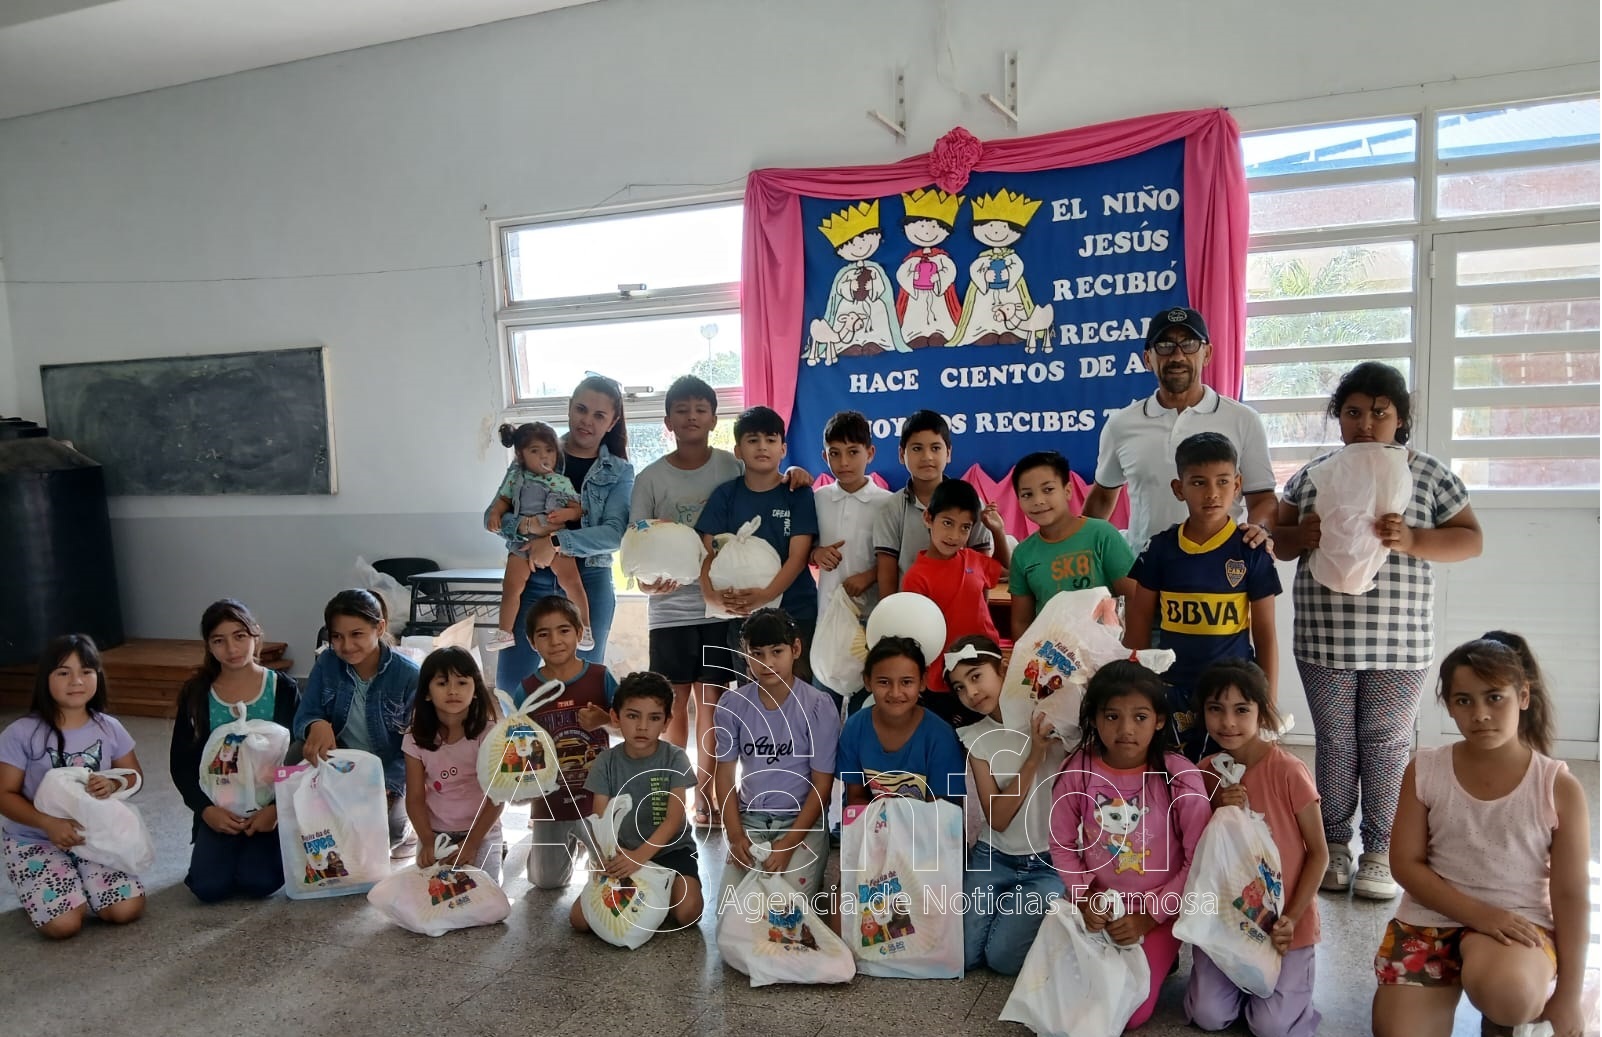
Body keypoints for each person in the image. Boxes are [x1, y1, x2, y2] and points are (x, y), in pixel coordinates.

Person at [1273, 361, 1483, 900]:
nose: (1366, 423)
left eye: (1380, 412)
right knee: (1337, 742)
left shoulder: (1428, 474)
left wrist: (1413, 540)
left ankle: (1381, 853)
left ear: (1401, 419)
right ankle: (1335, 847)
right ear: (1338, 417)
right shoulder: (1315, 473)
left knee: (1386, 744)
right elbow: (1277, 540)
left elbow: (1469, 540)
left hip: (1400, 642)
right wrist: (1303, 533)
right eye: (1353, 412)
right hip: (1325, 637)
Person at [1373, 633, 1588, 1037]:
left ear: (1523, 696)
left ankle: (1507, 1013)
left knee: (1510, 996)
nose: (1481, 714)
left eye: (1495, 697)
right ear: (1448, 706)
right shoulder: (1425, 769)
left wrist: (1569, 997)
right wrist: (1480, 916)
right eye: (1463, 700)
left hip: (1518, 924)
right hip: (1428, 920)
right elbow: (1404, 863)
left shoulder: (1558, 786)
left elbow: (1571, 894)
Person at [1050, 660, 1211, 1030]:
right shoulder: (1078, 771)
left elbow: (1198, 863)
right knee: (1068, 995)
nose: (1125, 730)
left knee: (1130, 1013)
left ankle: (1165, 953)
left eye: (1140, 717)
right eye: (1112, 716)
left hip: (1160, 912)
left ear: (1158, 720)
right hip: (1098, 905)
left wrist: (1148, 917)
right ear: (1094, 719)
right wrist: (1085, 897)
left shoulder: (1180, 778)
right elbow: (1060, 844)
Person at [1185, 659, 1327, 1037]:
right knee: (1209, 1015)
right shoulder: (1205, 771)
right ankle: (1243, 988)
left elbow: (1319, 853)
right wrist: (1215, 808)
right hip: (1229, 918)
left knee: (1273, 1027)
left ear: (1263, 712)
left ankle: (1284, 993)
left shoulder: (1288, 771)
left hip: (1284, 921)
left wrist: (1292, 919)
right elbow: (1197, 847)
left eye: (1241, 710)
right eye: (1216, 709)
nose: (1227, 722)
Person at [629, 375, 743, 825]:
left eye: (701, 408)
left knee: (713, 702)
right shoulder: (650, 477)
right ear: (667, 421)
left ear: (715, 418)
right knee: (672, 705)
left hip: (720, 605)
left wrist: (793, 474)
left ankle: (710, 796)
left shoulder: (732, 468)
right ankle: (675, 798)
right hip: (669, 610)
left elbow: (765, 492)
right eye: (682, 409)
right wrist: (643, 585)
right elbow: (636, 543)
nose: (692, 416)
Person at [1125, 432, 1281, 760]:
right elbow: (1138, 621)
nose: (1212, 494)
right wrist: (1135, 688)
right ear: (1178, 489)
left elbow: (1265, 633)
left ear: (1237, 484)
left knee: (1233, 778)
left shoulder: (1251, 550)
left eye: (1222, 482)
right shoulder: (1161, 548)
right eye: (1198, 483)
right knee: (1176, 772)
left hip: (1233, 693)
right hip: (1173, 688)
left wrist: (1267, 702)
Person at [1086, 306, 1276, 551]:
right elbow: (1102, 497)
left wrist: (1260, 530)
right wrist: (1082, 552)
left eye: (1189, 344)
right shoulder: (1121, 425)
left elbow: (1262, 498)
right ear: (1147, 359)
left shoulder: (1243, 419)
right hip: (1144, 574)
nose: (1177, 356)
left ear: (1207, 354)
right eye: (1165, 346)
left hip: (1220, 571)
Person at [492, 374, 636, 690]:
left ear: (612, 422)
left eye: (599, 415)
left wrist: (556, 542)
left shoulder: (620, 471)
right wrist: (527, 527)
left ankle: (578, 742)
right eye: (581, 409)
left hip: (589, 580)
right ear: (569, 408)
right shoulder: (536, 450)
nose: (587, 421)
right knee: (513, 687)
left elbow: (614, 533)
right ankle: (522, 741)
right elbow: (497, 517)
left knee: (584, 688)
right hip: (530, 578)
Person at [0, 635, 146, 938]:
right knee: (64, 925)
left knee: (125, 910)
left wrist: (114, 782)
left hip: (94, 835)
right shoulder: (21, 733)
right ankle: (43, 886)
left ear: (98, 676)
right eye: (64, 672)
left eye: (87, 671)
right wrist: (47, 823)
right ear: (46, 679)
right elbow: (4, 795)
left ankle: (78, 880)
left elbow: (134, 776)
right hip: (35, 839)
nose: (76, 681)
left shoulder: (109, 727)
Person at [945, 635, 1064, 976]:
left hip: (1048, 863)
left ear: (1004, 668)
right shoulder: (975, 736)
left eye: (976, 676)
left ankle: (1035, 913)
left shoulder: (1049, 715)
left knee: (1002, 960)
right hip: (992, 856)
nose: (970, 692)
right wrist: (1035, 758)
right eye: (959, 687)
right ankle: (1016, 910)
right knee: (963, 958)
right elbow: (997, 817)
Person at [170, 599, 301, 903]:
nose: (231, 649)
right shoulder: (197, 694)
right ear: (209, 646)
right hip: (219, 810)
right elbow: (182, 763)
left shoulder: (282, 689)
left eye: (239, 636)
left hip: (268, 811)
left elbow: (298, 758)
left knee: (259, 882)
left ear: (255, 636)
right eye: (219, 640)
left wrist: (275, 811)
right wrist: (206, 811)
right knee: (207, 888)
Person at [712, 609, 839, 905]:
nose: (766, 663)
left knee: (785, 910)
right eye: (757, 653)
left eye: (777, 651)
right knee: (732, 911)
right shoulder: (733, 705)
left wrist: (787, 845)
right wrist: (735, 835)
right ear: (745, 654)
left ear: (795, 649)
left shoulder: (818, 706)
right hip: (751, 820)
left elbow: (822, 786)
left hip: (801, 822)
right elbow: (725, 776)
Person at [569, 672, 703, 934]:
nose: (643, 726)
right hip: (621, 853)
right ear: (616, 718)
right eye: (633, 715)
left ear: (667, 722)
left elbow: (673, 819)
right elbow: (602, 820)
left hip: (670, 853)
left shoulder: (675, 758)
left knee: (688, 912)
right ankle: (646, 904)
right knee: (579, 920)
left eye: (654, 718)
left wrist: (639, 859)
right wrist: (616, 859)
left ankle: (652, 902)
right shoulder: (605, 762)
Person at [294, 589, 421, 857]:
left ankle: (408, 832)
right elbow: (303, 715)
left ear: (380, 628)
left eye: (357, 634)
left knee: (387, 830)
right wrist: (316, 723)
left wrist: (388, 786)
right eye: (337, 637)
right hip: (340, 763)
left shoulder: (408, 675)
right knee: (296, 751)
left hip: (387, 770)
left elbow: (416, 747)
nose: (346, 646)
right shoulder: (328, 662)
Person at [696, 405, 820, 672]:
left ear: (783, 449)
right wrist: (711, 597)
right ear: (738, 450)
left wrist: (766, 596)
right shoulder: (725, 495)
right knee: (751, 702)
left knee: (797, 699)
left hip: (796, 612)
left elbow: (799, 557)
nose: (762, 447)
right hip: (743, 618)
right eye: (753, 440)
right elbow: (707, 553)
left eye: (771, 440)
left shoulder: (798, 493)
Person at [517, 596, 615, 889]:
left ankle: (588, 846)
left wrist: (605, 720)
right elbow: (518, 747)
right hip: (550, 802)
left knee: (613, 873)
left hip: (597, 802)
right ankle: (544, 853)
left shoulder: (600, 677)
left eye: (563, 630)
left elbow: (632, 725)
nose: (555, 640)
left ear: (580, 633)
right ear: (532, 642)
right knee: (546, 882)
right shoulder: (527, 690)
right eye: (543, 634)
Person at [901, 478, 1009, 722]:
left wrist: (997, 531)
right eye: (948, 523)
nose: (955, 535)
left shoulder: (972, 558)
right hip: (943, 681)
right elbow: (915, 638)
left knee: (995, 731)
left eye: (965, 527)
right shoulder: (916, 577)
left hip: (986, 668)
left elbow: (1005, 569)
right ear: (928, 518)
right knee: (953, 741)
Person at [1007, 449, 1136, 638]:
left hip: (1109, 654)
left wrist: (1130, 655)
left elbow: (1134, 599)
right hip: (1054, 659)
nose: (1038, 501)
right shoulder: (1022, 554)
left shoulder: (1102, 535)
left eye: (1048, 490)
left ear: (1067, 491)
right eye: (1027, 494)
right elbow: (1021, 622)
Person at [402, 647, 505, 882]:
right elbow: (415, 798)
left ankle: (498, 851)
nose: (452, 691)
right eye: (441, 683)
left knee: (485, 898)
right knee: (434, 898)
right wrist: (427, 841)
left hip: (482, 832)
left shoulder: (489, 735)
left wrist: (472, 843)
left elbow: (497, 797)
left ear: (475, 690)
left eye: (461, 682)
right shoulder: (414, 738)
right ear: (427, 692)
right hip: (436, 833)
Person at [873, 409, 999, 599]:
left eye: (935, 448)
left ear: (948, 453)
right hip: (911, 614)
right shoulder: (891, 508)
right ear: (901, 454)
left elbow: (982, 564)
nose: (927, 457)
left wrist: (980, 612)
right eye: (917, 448)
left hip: (961, 611)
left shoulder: (971, 502)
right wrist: (889, 617)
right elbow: (887, 573)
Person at [487, 421, 590, 652]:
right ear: (521, 455)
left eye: (549, 450)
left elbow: (578, 508)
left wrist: (567, 513)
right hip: (521, 543)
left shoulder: (560, 481)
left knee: (571, 582)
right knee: (511, 587)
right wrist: (496, 513)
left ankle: (585, 627)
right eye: (535, 451)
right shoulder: (516, 478)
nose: (544, 456)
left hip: (555, 539)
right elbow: (503, 501)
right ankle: (505, 632)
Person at [836, 636, 966, 805]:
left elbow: (942, 810)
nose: (895, 693)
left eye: (906, 682)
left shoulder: (941, 736)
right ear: (867, 681)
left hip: (928, 829)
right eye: (884, 682)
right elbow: (855, 798)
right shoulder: (855, 728)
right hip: (870, 827)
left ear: (922, 681)